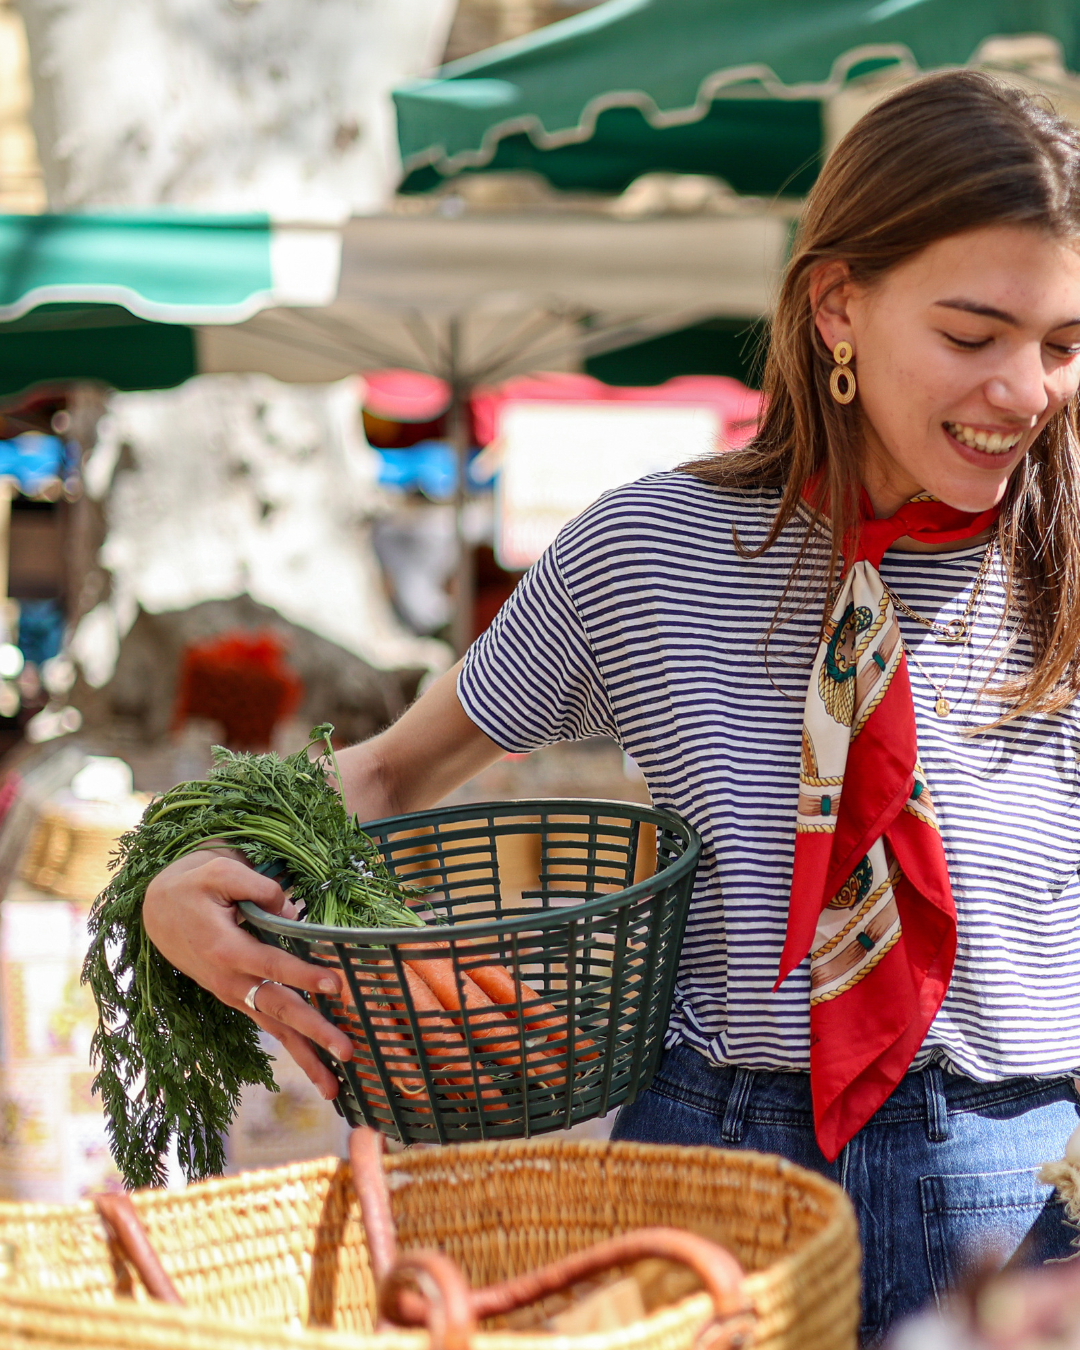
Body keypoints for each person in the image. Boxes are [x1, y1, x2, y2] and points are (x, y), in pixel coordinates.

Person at [143, 72, 1080, 1344]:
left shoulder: (1068, 564)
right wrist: (182, 870)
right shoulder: (648, 546)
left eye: (1066, 345)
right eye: (974, 337)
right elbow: (391, 771)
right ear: (837, 305)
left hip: (1026, 1198)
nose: (1027, 391)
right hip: (707, 1173)